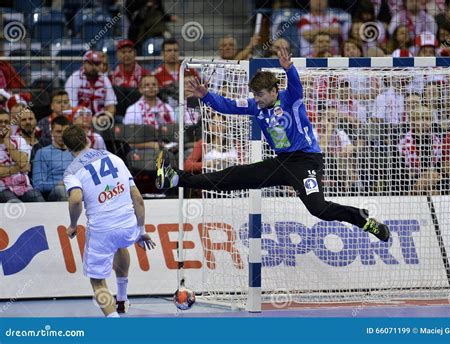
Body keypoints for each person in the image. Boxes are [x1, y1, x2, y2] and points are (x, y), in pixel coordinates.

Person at [156, 48, 390, 242]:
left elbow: (295, 84)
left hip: (306, 161)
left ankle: (363, 220)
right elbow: (227, 105)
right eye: (254, 94)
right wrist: (206, 95)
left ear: (274, 91)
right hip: (282, 163)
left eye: (260, 94)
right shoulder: (255, 106)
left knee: (318, 208)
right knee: (232, 177)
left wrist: (289, 68)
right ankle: (176, 178)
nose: (256, 99)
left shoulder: (290, 99)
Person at [63, 125, 155, 317]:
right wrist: (141, 229)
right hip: (128, 224)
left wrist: (73, 225)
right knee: (121, 245)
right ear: (88, 139)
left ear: (66, 148)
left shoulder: (71, 172)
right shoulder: (114, 157)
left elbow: (75, 199)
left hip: (102, 230)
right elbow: (137, 197)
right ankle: (122, 299)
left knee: (97, 282)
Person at [32, 116, 73, 201]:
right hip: (55, 192)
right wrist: (60, 183)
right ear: (51, 133)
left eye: (65, 132)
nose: (62, 135)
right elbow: (38, 185)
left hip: (75, 188)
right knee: (62, 190)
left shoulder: (76, 152)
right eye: (58, 132)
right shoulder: (42, 153)